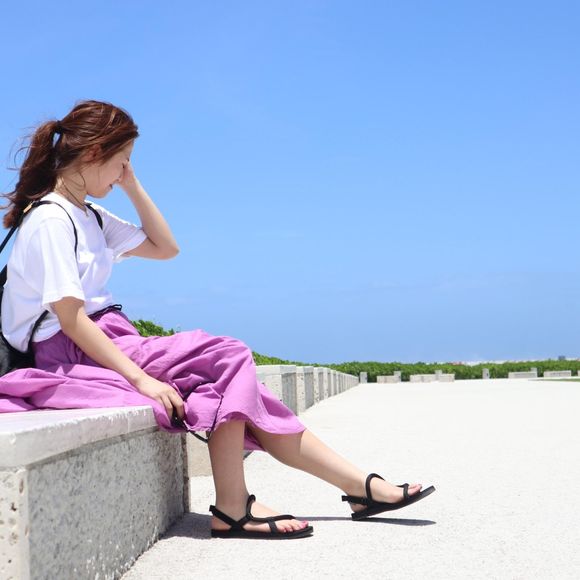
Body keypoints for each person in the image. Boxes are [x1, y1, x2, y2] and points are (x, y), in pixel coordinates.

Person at [0, 100, 435, 539]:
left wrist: (133, 186)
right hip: (77, 349)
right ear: (94, 153)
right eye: (122, 161)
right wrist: (142, 380)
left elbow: (166, 247)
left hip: (110, 339)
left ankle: (356, 488)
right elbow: (71, 319)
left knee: (239, 389)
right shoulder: (52, 219)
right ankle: (237, 505)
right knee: (228, 356)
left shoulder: (88, 215)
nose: (123, 172)